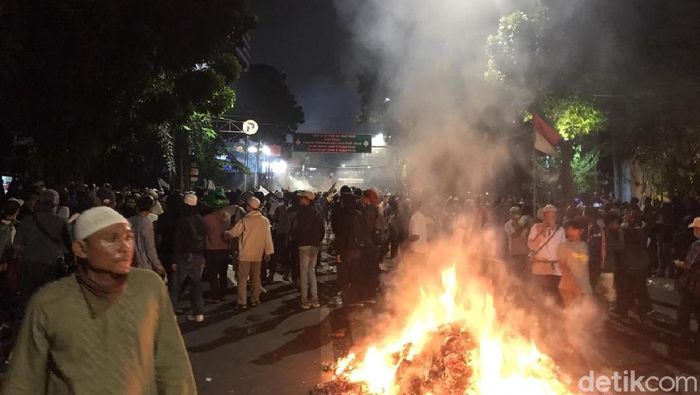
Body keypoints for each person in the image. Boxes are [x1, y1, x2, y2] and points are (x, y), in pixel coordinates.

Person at [1, 206, 197, 394]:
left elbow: (173, 365)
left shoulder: (148, 288)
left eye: (129, 238)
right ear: (81, 249)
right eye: (112, 239)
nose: (125, 247)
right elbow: (23, 381)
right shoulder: (49, 302)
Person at [13, 189, 71, 308]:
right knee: (48, 303)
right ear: (55, 204)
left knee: (27, 302)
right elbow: (68, 247)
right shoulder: (61, 222)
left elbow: (17, 246)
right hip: (52, 267)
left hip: (29, 266)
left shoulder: (27, 220)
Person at [225, 197, 274, 309]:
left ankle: (242, 302)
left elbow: (234, 233)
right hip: (258, 254)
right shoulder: (264, 220)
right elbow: (268, 238)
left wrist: (226, 233)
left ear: (250, 207)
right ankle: (255, 299)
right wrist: (268, 252)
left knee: (242, 279)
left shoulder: (245, 220)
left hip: (245, 254)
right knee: (256, 278)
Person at [170, 193, 208, 322]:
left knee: (175, 286)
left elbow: (178, 241)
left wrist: (174, 259)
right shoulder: (201, 220)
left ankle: (171, 314)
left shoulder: (182, 220)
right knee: (196, 285)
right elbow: (205, 240)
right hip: (198, 256)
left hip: (183, 256)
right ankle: (198, 313)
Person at [616, 210, 654, 319]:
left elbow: (622, 245)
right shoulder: (643, 232)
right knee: (640, 288)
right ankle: (644, 309)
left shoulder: (627, 232)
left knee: (629, 288)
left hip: (631, 265)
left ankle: (627, 310)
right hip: (641, 264)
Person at [292, 191, 325, 309]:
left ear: (308, 200)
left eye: (302, 198)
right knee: (312, 272)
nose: (300, 200)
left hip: (304, 245)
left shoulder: (302, 213)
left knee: (304, 273)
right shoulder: (318, 212)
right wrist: (317, 241)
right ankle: (315, 299)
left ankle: (304, 300)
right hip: (314, 246)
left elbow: (297, 228)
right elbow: (322, 229)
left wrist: (298, 238)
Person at [332, 192, 365, 306]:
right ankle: (354, 298)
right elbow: (364, 232)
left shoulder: (343, 216)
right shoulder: (359, 214)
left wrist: (338, 252)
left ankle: (346, 300)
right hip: (358, 250)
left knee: (344, 277)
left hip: (346, 251)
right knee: (355, 276)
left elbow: (341, 235)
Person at [527, 204, 565, 302]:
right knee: (540, 296)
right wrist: (541, 233)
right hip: (540, 269)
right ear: (543, 217)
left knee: (554, 297)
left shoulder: (560, 231)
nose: (550, 219)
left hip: (555, 270)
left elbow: (563, 249)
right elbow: (531, 246)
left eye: (553, 217)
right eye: (547, 216)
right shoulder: (535, 228)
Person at [675, 217, 700, 347]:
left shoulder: (697, 246)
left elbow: (689, 265)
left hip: (694, 285)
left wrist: (679, 264)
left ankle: (684, 338)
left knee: (684, 312)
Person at [203, 191, 232, 302]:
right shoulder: (227, 217)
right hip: (225, 248)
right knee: (223, 273)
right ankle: (223, 293)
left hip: (211, 249)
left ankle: (215, 295)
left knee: (213, 274)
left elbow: (204, 234)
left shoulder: (207, 219)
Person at [558, 217, 593, 306]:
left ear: (581, 231)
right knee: (573, 315)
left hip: (585, 287)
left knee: (586, 315)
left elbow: (585, 266)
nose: (570, 232)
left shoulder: (584, 245)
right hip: (569, 288)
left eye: (573, 229)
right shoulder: (563, 246)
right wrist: (573, 285)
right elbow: (563, 266)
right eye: (568, 230)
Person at [128, 195, 166, 276]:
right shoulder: (146, 224)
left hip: (131, 261)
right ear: (150, 208)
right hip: (143, 263)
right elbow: (150, 247)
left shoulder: (129, 220)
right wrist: (158, 265)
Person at [505, 206, 530, 279]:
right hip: (514, 252)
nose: (516, 215)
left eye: (517, 213)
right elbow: (515, 235)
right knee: (515, 272)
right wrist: (522, 227)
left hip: (524, 252)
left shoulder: (522, 222)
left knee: (523, 273)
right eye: (513, 213)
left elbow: (527, 235)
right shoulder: (508, 224)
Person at [408, 199, 433, 265]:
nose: (409, 206)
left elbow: (416, 236)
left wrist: (405, 242)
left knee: (414, 272)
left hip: (416, 251)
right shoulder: (422, 217)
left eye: (410, 204)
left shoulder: (415, 218)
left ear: (413, 206)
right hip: (423, 250)